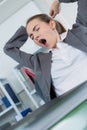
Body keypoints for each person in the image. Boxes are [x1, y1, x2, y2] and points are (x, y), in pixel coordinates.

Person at [4, 0, 87, 103]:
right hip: (73, 107)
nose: (35, 37)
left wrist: (58, 1)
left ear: (52, 24)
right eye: (32, 36)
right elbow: (9, 49)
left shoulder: (79, 32)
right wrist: (26, 30)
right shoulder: (39, 62)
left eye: (37, 29)